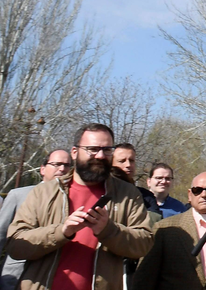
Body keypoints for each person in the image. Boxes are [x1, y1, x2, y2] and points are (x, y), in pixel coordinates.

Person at [6, 123, 153, 290]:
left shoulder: (128, 194)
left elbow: (144, 244)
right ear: (74, 153)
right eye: (92, 149)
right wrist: (62, 232)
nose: (100, 156)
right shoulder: (44, 192)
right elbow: (16, 245)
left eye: (107, 150)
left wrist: (108, 230)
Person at [131, 172, 206, 290]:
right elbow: (145, 277)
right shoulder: (164, 229)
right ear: (189, 194)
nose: (204, 194)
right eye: (197, 190)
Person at [0, 150, 72, 290]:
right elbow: (1, 234)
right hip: (16, 276)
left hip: (54, 276)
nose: (62, 169)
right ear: (43, 169)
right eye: (56, 164)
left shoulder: (71, 199)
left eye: (67, 165)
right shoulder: (18, 195)